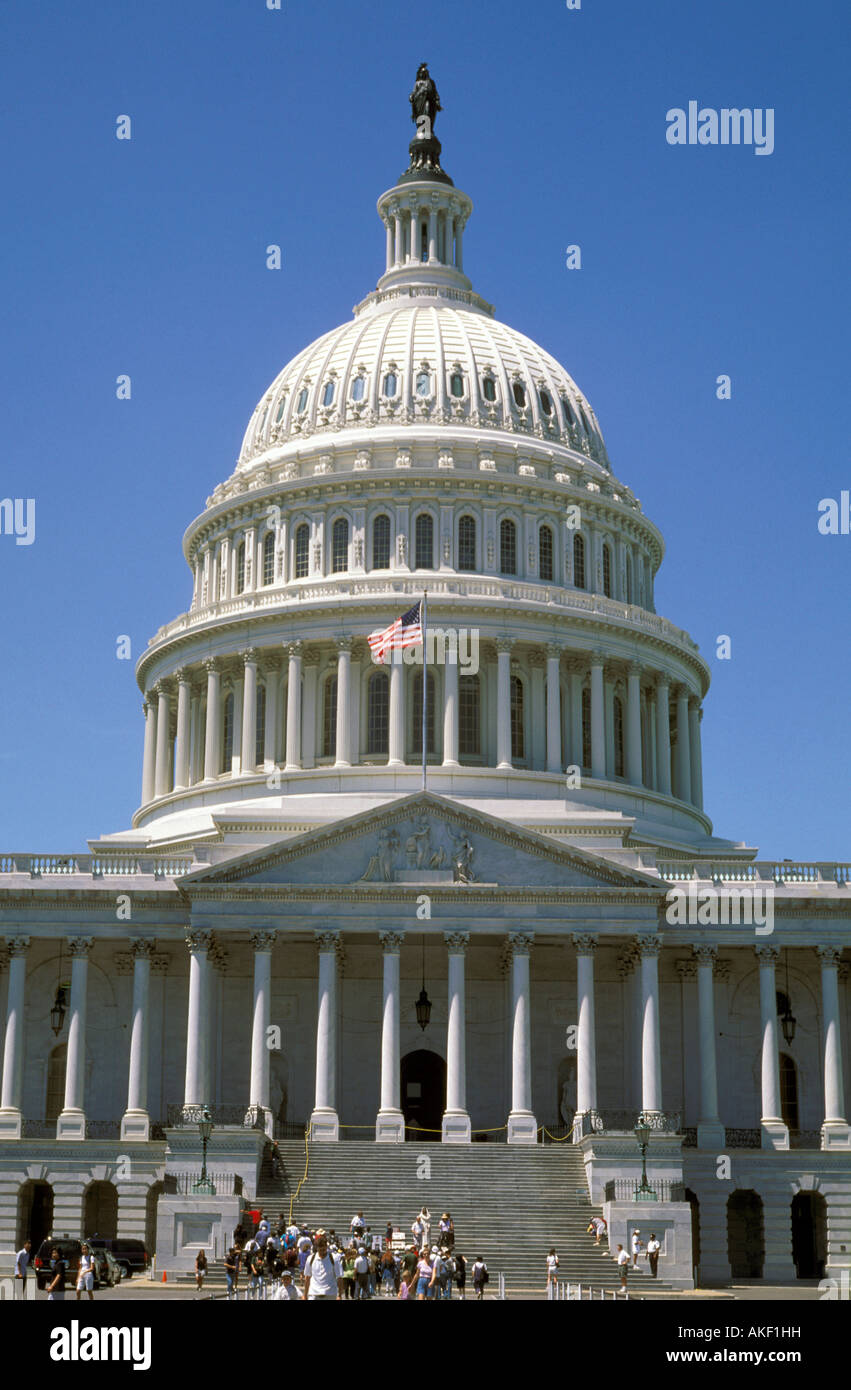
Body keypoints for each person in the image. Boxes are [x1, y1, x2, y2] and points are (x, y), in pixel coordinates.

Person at [304, 1232, 343, 1301]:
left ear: (326, 1246)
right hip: (314, 1294)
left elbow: (339, 1277)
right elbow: (307, 1277)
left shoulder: (334, 1258)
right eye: (320, 1249)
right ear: (316, 1248)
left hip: (330, 1294)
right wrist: (305, 1295)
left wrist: (339, 1295)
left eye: (324, 1248)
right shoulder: (310, 1259)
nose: (322, 1251)